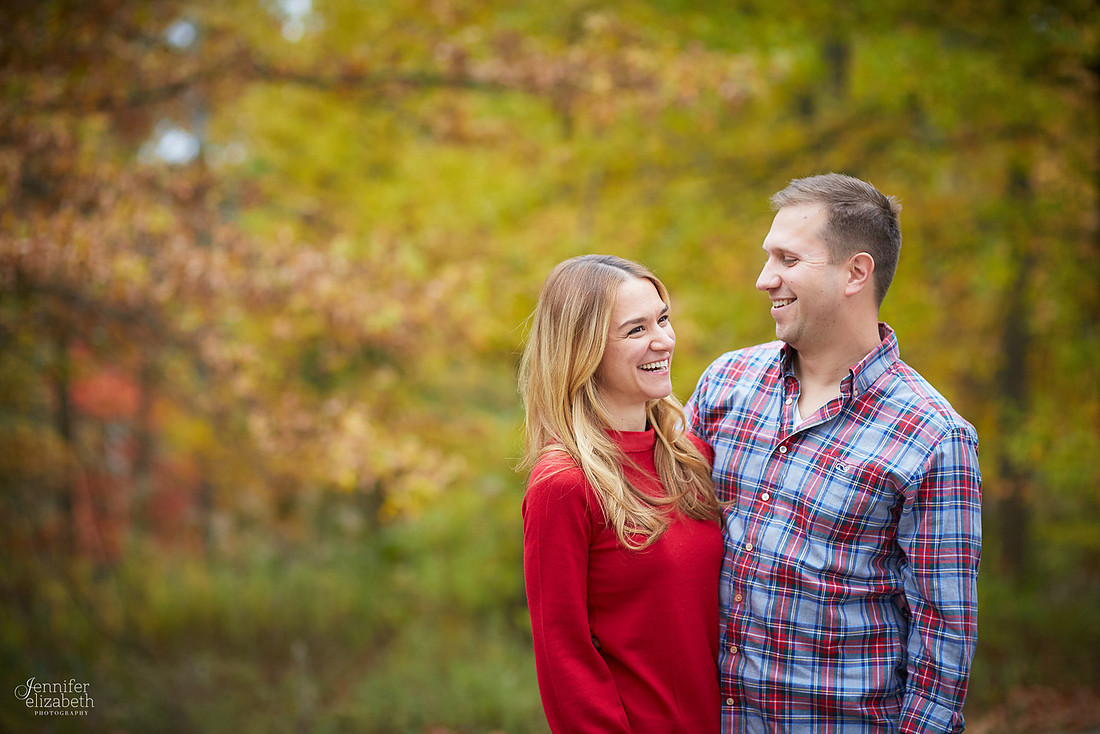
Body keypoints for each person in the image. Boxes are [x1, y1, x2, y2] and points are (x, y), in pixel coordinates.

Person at [686, 173, 982, 733]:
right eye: (768, 257)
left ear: (856, 273)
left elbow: (943, 644)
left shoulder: (934, 437)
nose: (764, 278)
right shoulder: (725, 383)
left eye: (788, 259)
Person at [519, 254, 723, 734]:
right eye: (636, 330)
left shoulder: (692, 458)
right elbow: (564, 657)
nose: (664, 340)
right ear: (584, 351)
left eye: (663, 320)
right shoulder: (564, 485)